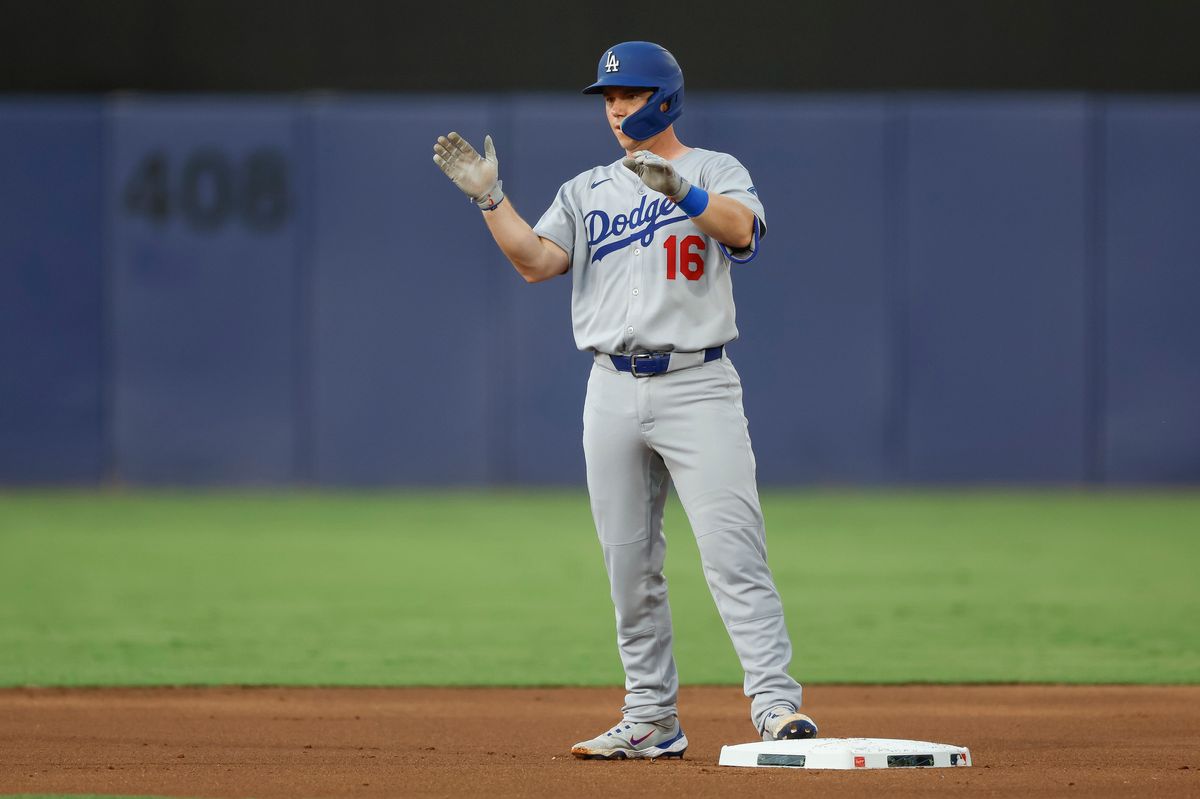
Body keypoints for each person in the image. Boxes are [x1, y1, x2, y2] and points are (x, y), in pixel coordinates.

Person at [432, 41, 817, 760]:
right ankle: (650, 717)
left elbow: (742, 233)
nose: (616, 109)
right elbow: (536, 262)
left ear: (664, 97)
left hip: (698, 383)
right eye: (609, 98)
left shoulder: (714, 171)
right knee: (627, 562)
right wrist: (490, 198)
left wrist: (680, 191)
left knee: (734, 553)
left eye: (630, 95)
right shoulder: (586, 189)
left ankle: (774, 703)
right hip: (610, 386)